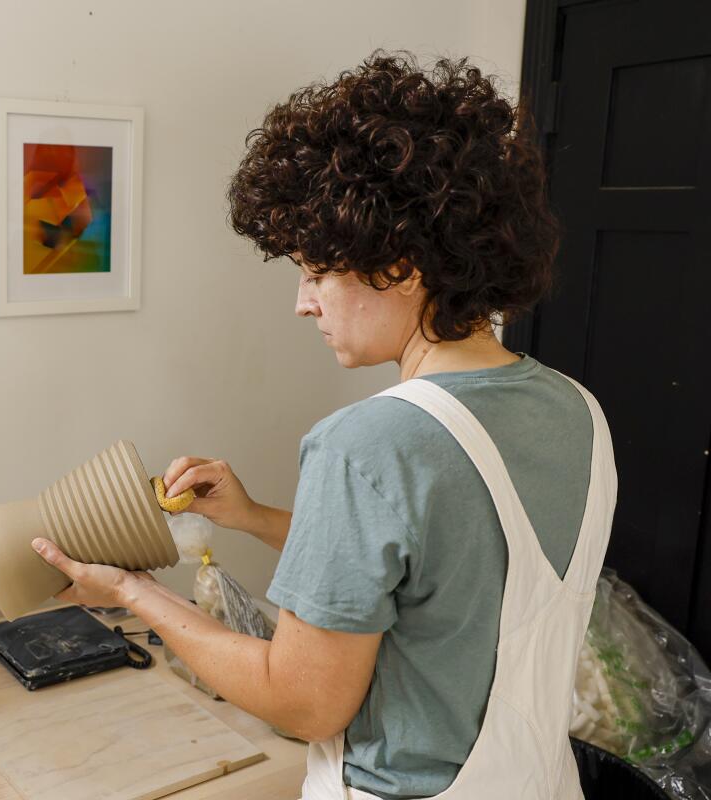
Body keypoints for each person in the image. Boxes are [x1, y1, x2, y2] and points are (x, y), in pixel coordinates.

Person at [31, 53, 617, 799]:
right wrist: (251, 519)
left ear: (401, 266)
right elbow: (438, 575)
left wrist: (133, 594)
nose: (303, 304)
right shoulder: (575, 409)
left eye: (315, 273)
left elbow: (304, 701)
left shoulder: (366, 444)